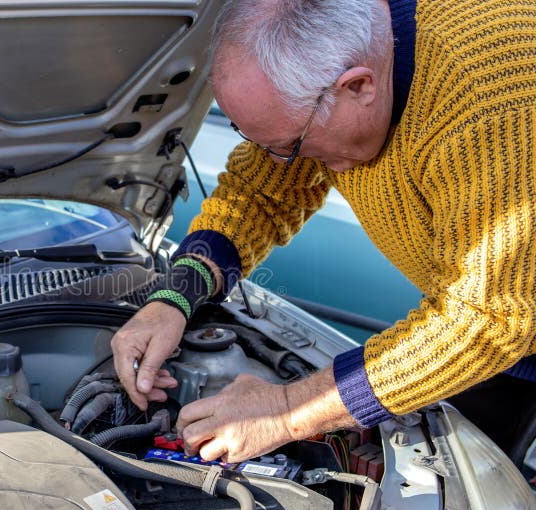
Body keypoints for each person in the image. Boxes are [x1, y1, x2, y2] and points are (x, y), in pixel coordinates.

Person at [111, 0, 536, 464]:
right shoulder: (324, 74)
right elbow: (262, 194)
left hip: (495, 313)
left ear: (358, 85)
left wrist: (288, 409)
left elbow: (487, 318)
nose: (279, 161)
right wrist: (173, 298)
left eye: (287, 146)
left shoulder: (489, 105)